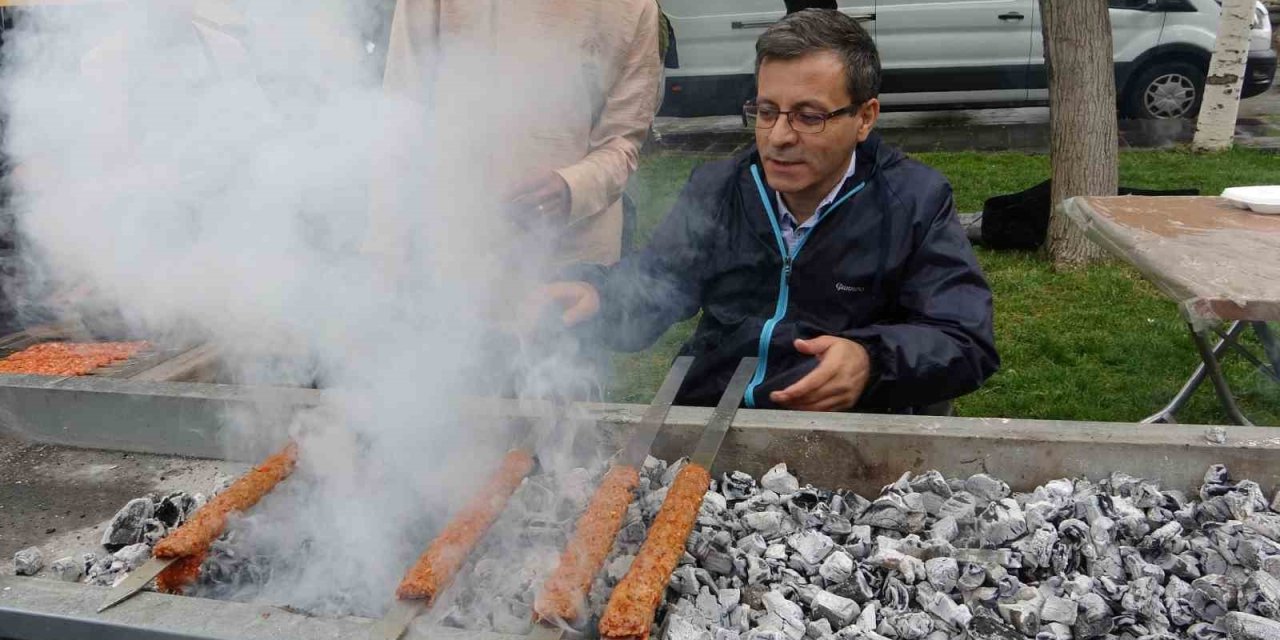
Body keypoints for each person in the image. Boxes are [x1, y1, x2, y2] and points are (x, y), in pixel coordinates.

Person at [534, 10, 999, 413]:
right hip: (713, 411)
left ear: (864, 117)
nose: (778, 137)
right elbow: (660, 282)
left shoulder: (913, 201)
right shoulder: (720, 187)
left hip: (851, 433)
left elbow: (964, 339)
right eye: (766, 111)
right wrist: (600, 296)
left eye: (808, 116)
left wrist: (871, 362)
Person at [379, 0, 662, 268]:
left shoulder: (632, 7)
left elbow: (622, 143)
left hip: (570, 261)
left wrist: (573, 186)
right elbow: (401, 115)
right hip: (453, 243)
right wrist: (385, 247)